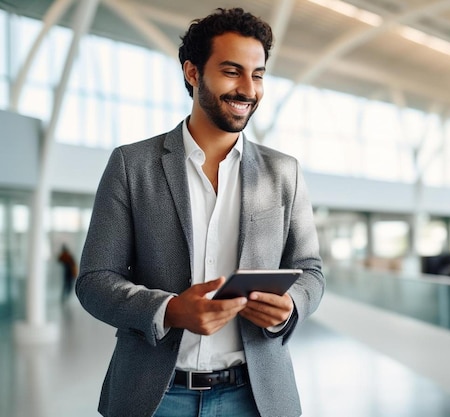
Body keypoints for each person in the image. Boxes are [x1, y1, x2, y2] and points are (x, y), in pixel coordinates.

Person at [75, 7, 325, 417]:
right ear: (193, 73)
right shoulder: (131, 165)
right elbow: (94, 281)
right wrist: (170, 310)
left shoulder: (284, 173)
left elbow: (310, 270)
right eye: (232, 71)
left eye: (258, 74)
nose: (249, 89)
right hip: (155, 396)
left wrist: (292, 305)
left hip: (257, 397)